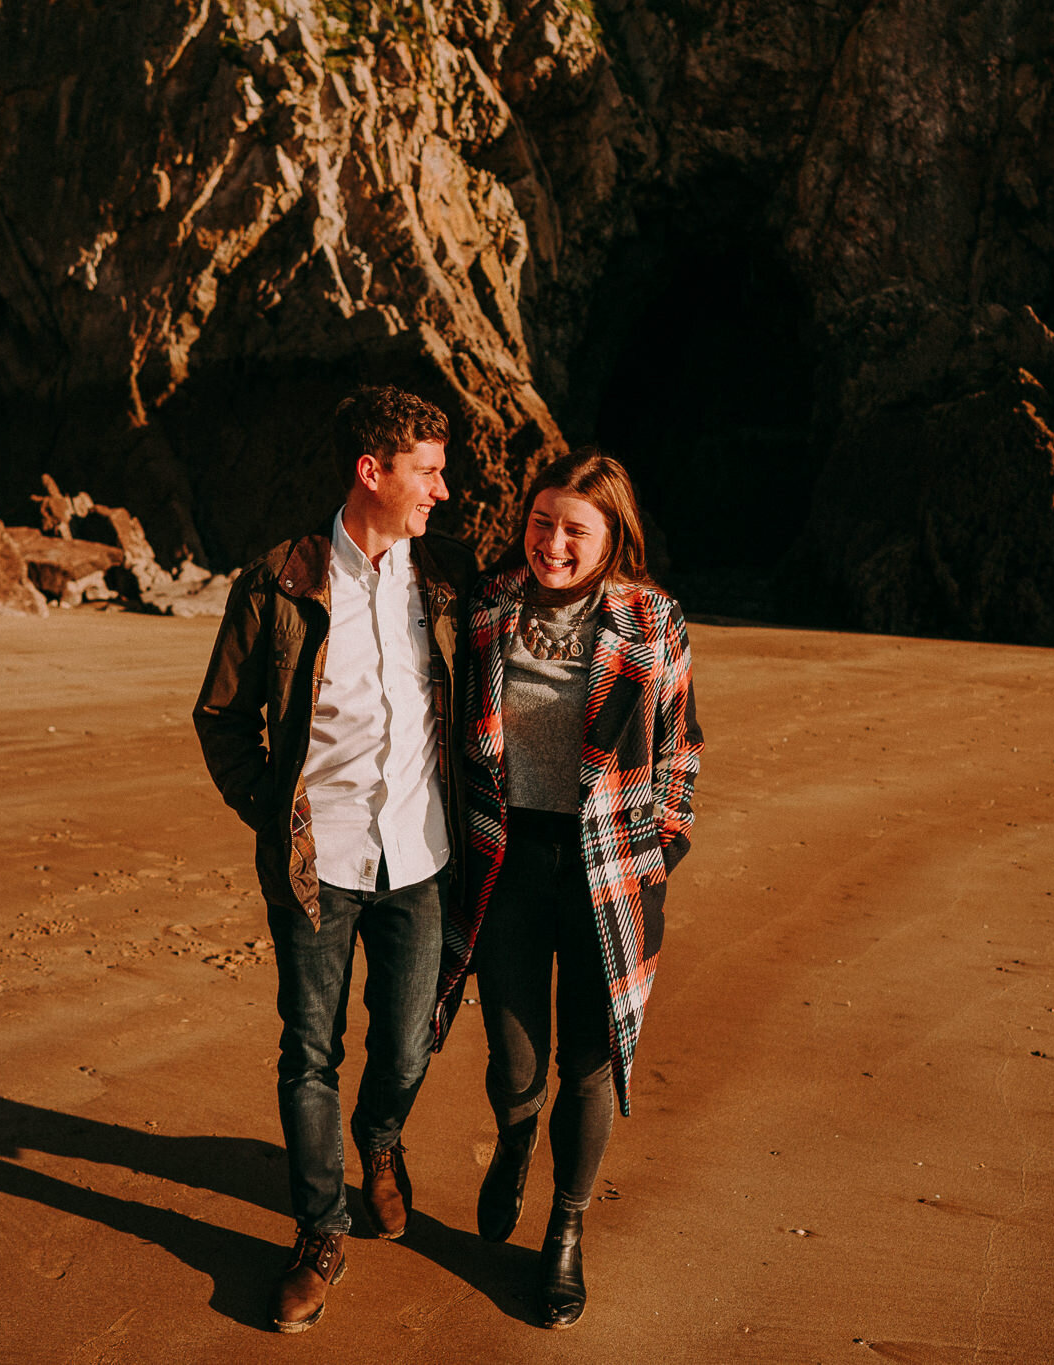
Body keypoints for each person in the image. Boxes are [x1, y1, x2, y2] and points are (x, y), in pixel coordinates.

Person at [192, 385, 477, 1333]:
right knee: (309, 1051)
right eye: (428, 471)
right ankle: (320, 1229)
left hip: (421, 856)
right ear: (374, 472)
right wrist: (275, 815)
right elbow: (223, 719)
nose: (443, 488)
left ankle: (382, 1136)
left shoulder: (444, 583)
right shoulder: (279, 581)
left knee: (406, 1042)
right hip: (320, 865)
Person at [432, 449, 703, 1329]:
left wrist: (659, 848)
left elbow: (681, 745)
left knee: (590, 1060)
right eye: (542, 522)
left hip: (609, 872)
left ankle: (565, 1231)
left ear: (612, 537)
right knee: (516, 1060)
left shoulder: (650, 618)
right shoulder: (489, 605)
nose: (552, 543)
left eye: (574, 530)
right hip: (507, 858)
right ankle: (514, 1142)